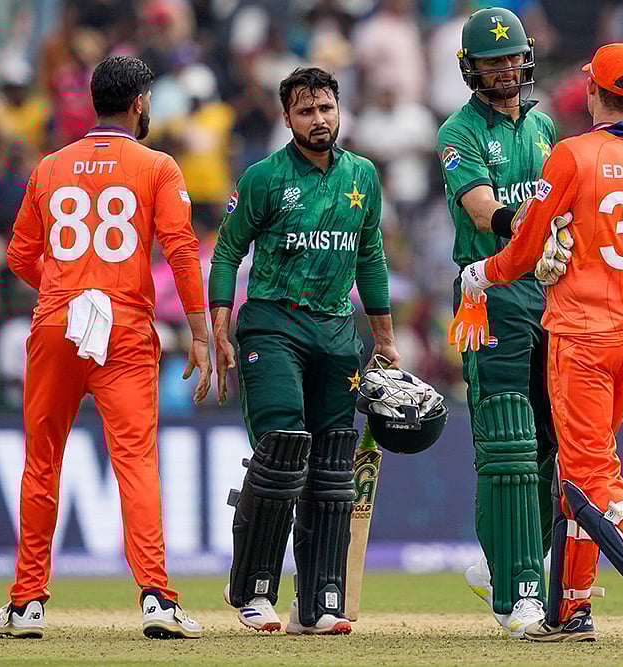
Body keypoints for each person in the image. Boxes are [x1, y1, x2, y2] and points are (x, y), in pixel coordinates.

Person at [453, 43, 623, 644]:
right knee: (582, 470)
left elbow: (527, 246)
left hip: (580, 334)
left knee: (588, 475)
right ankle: (572, 610)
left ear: (591, 89)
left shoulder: (570, 154)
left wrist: (482, 275)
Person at [0, 55, 211, 640]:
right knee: (135, 461)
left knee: (43, 460)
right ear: (141, 102)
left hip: (58, 319)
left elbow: (18, 255)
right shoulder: (157, 165)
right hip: (125, 325)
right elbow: (181, 248)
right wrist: (199, 330)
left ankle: (26, 605)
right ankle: (157, 600)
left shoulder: (49, 166)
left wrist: (68, 290)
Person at [209, 67, 398, 636]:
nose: (319, 120)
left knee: (333, 463)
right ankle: (252, 590)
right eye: (306, 111)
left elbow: (371, 260)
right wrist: (219, 324)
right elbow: (226, 251)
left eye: (327, 108)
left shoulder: (362, 175)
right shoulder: (265, 177)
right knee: (283, 450)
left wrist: (385, 339)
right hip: (273, 325)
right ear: (287, 118)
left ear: (340, 109)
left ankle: (316, 602)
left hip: (338, 335)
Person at [436, 6, 562, 639]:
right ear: (470, 68)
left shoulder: (545, 126)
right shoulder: (456, 131)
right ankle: (521, 595)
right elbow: (483, 209)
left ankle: (508, 563)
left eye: (511, 56)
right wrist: (530, 229)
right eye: (491, 60)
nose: (504, 67)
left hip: (548, 294)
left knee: (549, 443)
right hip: (485, 292)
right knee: (506, 438)